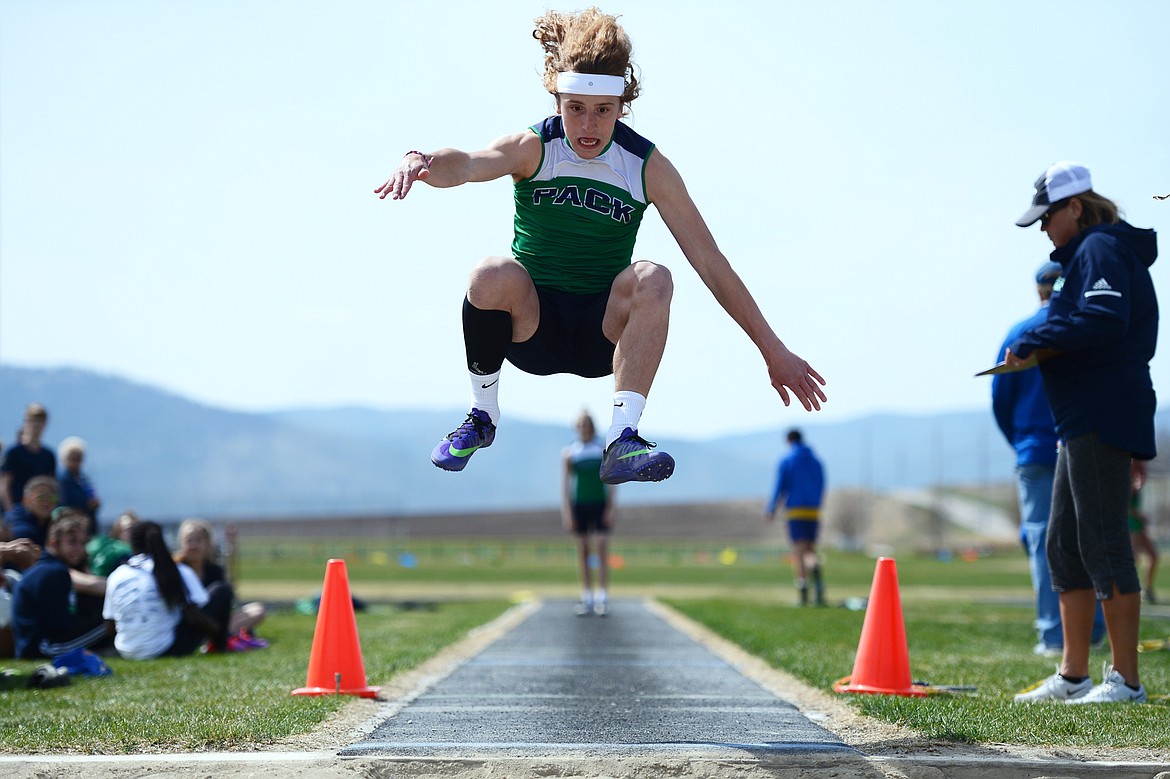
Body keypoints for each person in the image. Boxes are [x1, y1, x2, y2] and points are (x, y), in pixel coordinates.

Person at [374, 8, 826, 486]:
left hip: (603, 337)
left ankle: (622, 438)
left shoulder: (646, 166)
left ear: (621, 105)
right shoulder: (534, 148)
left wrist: (771, 349)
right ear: (558, 101)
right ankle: (482, 417)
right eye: (576, 109)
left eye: (603, 111)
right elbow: (466, 164)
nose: (588, 125)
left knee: (655, 277)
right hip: (531, 328)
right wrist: (419, 159)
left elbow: (711, 263)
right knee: (489, 272)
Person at [1007, 162, 1158, 705]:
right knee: (1063, 543)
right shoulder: (1088, 254)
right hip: (1080, 417)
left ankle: (1126, 681)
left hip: (1102, 412)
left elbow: (1104, 320)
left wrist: (1033, 337)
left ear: (1075, 207)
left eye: (1048, 217)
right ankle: (1073, 675)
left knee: (1102, 539)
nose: (1044, 229)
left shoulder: (1101, 250)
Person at [992, 261, 1105, 657]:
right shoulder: (1082, 330)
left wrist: (1021, 441)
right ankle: (1093, 630)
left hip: (1035, 452)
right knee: (1090, 537)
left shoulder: (1018, 333)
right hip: (1081, 446)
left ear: (1038, 289)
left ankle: (1053, 634)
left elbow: (1000, 401)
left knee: (1043, 541)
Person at [103, 520, 231, 659]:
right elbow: (196, 615)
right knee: (222, 590)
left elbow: (110, 625)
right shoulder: (175, 569)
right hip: (166, 648)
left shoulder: (116, 575)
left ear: (132, 543)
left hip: (126, 650)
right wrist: (216, 630)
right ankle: (220, 646)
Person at [10, 512, 113, 659]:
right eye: (72, 542)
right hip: (42, 648)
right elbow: (61, 627)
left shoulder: (48, 566)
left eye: (83, 543)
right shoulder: (53, 572)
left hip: (35, 645)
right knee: (112, 620)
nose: (80, 549)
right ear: (54, 543)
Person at [174, 518, 266, 644]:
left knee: (257, 609)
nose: (194, 546)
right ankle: (224, 634)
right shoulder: (176, 569)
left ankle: (221, 633)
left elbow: (228, 599)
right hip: (191, 621)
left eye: (198, 540)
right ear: (181, 543)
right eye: (189, 541)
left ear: (207, 543)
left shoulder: (214, 570)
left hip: (216, 619)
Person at [561, 411, 614, 616]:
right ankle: (587, 596)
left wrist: (610, 508)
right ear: (577, 428)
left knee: (601, 546)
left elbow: (611, 482)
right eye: (580, 424)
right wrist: (567, 513)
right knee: (583, 549)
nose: (584, 428)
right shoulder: (569, 453)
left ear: (592, 426)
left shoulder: (601, 449)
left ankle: (602, 596)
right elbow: (565, 485)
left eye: (587, 424)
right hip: (579, 504)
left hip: (599, 504)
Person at [765, 429, 826, 606]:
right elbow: (822, 484)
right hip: (813, 510)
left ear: (789, 441)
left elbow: (780, 486)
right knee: (810, 548)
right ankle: (818, 578)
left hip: (796, 510)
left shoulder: (787, 460)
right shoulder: (816, 461)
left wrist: (771, 509)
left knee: (798, 551)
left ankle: (803, 589)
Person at [1, 404, 57, 517]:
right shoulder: (13, 453)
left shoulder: (48, 455)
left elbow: (52, 486)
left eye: (40, 421)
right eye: (33, 421)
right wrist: (10, 512)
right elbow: (4, 485)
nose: (36, 425)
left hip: (40, 513)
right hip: (16, 511)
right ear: (26, 422)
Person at [57, 437, 101, 539]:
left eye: (79, 458)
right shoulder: (62, 480)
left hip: (89, 526)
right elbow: (63, 505)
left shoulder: (84, 479)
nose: (76, 462)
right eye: (72, 458)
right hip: (71, 527)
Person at [6, 475, 59, 554]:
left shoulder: (52, 522)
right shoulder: (21, 528)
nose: (46, 503)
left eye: (52, 498)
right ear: (26, 501)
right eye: (41, 498)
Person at [1128, 481, 1159, 605]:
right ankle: (1130, 589)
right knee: (1133, 559)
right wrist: (1139, 516)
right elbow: (1126, 507)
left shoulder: (1137, 482)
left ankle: (1147, 589)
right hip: (1131, 526)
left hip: (1139, 527)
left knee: (1153, 555)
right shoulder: (1126, 482)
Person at [86, 510, 139, 578]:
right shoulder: (111, 548)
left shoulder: (142, 552)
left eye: (134, 529)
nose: (132, 533)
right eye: (128, 529)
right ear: (118, 530)